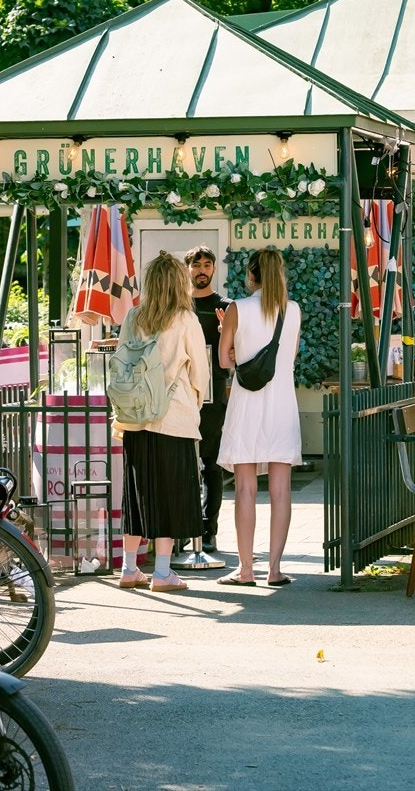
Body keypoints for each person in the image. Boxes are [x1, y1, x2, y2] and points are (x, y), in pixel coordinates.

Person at [112, 252, 210, 593]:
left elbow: (122, 363)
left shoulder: (134, 317)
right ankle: (163, 572)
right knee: (169, 495)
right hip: (173, 419)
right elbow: (200, 371)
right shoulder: (185, 319)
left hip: (136, 419)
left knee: (137, 495)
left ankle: (128, 568)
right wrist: (194, 406)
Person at [217, 247, 302, 587]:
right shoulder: (293, 310)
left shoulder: (238, 308)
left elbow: (225, 360)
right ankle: (275, 569)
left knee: (245, 490)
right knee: (281, 490)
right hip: (282, 404)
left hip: (247, 404)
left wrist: (237, 346)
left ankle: (246, 569)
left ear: (251, 274)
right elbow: (288, 357)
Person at [186, 245, 231, 553]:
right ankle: (179, 529)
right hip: (181, 394)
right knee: (181, 464)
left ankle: (208, 529)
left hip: (214, 395)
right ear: (188, 269)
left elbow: (235, 351)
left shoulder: (226, 306)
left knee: (210, 465)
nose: (202, 270)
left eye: (207, 264)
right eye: (196, 265)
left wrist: (225, 331)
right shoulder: (179, 306)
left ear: (214, 269)